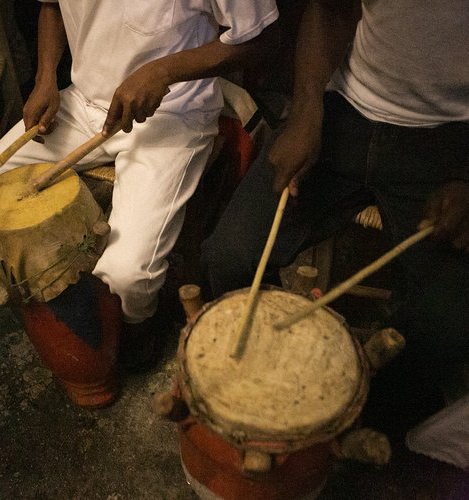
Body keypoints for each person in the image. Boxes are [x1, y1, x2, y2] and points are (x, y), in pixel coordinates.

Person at [201, 0, 469, 465]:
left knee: (450, 325)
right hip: (344, 106)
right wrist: (307, 109)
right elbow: (329, 11)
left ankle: (353, 422)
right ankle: (259, 389)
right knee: (227, 256)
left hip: (450, 139)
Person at [0, 0, 280, 373]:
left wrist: (163, 71)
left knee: (125, 280)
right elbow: (51, 6)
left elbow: (260, 38)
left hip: (173, 113)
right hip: (81, 104)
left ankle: (130, 342)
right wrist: (45, 78)